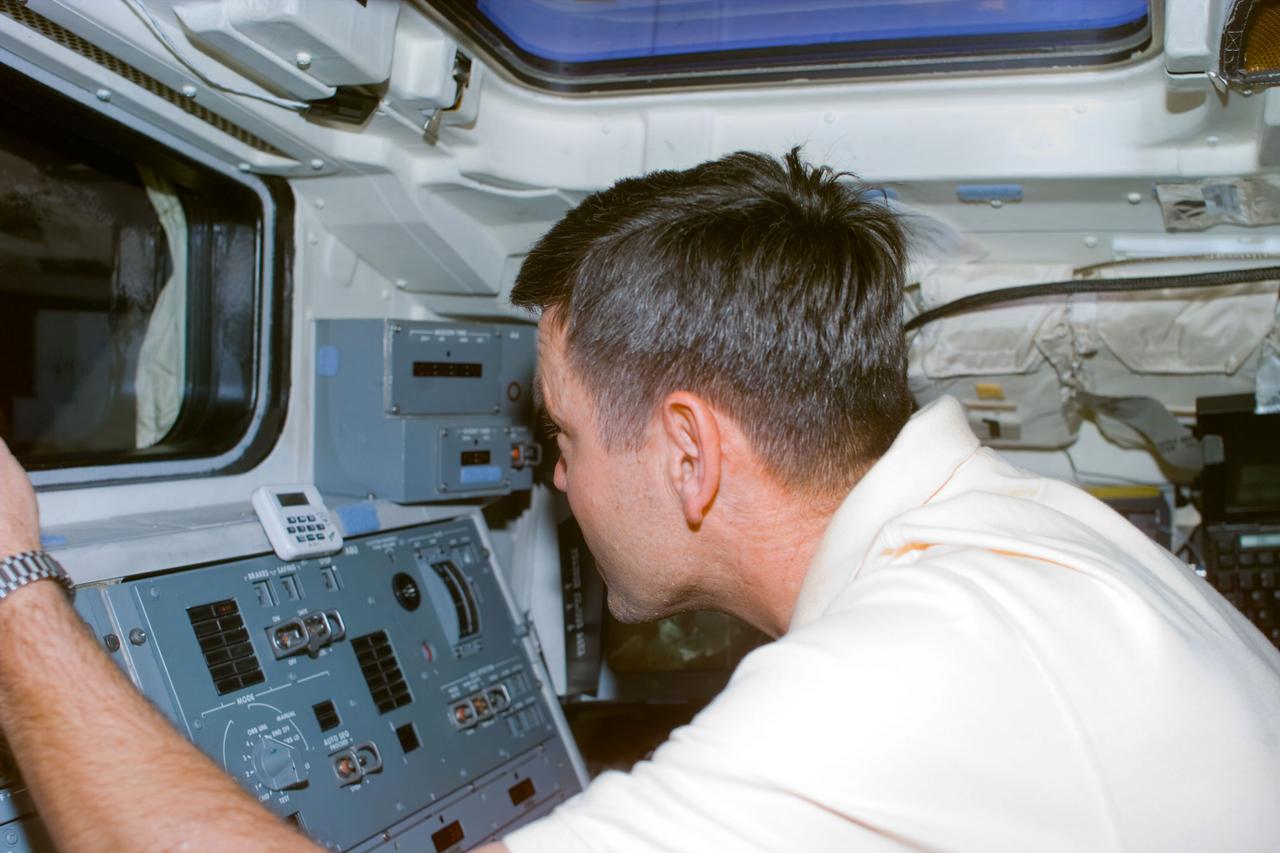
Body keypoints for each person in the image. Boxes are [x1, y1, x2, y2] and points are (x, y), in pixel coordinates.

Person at [0, 149, 1277, 853]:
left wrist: (16, 595)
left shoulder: (902, 671)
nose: (554, 476)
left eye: (560, 433)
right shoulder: (1023, 536)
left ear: (686, 453)